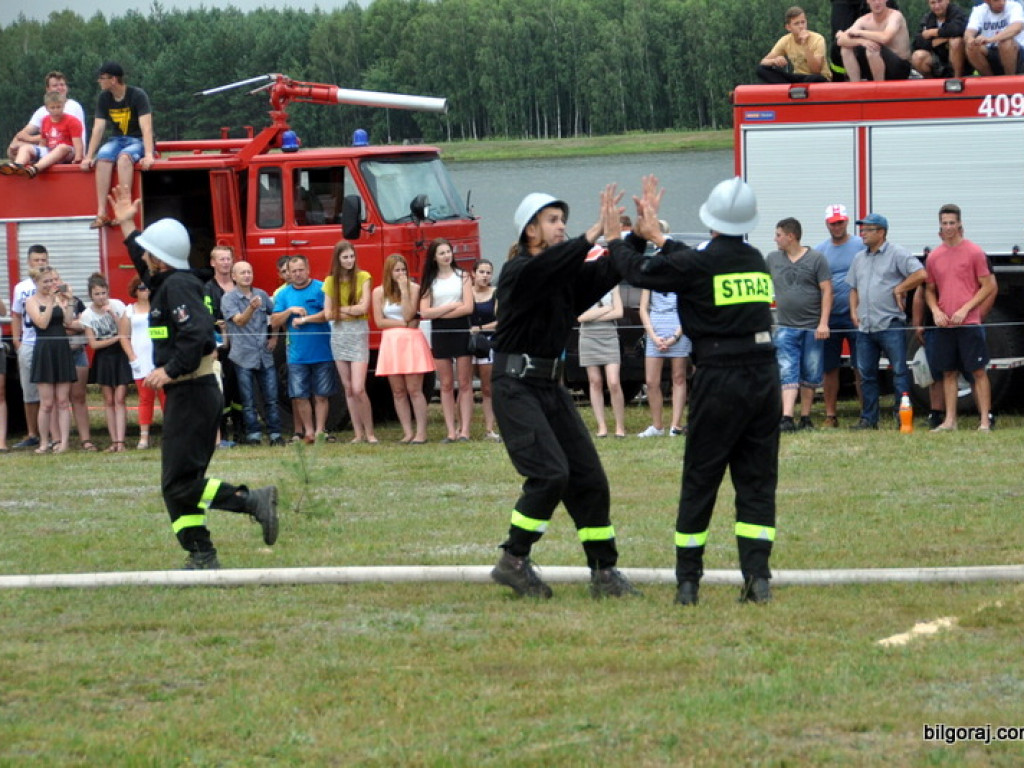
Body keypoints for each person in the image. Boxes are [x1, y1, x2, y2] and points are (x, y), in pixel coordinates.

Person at [609, 175, 779, 607]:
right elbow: (695, 261)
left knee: (701, 480)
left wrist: (620, 238)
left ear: (710, 219)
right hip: (764, 377)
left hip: (721, 378)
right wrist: (660, 237)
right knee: (756, 483)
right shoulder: (757, 260)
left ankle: (688, 583)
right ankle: (757, 580)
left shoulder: (699, 264)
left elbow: (636, 271)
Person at [111, 188, 278, 570]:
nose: (145, 258)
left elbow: (200, 335)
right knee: (177, 485)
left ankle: (251, 501)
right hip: (188, 393)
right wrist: (127, 225)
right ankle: (201, 553)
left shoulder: (179, 286)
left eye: (150, 251)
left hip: (193, 390)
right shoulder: (167, 282)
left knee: (180, 484)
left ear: (162, 257)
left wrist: (167, 370)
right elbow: (144, 266)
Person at [488, 188, 639, 600]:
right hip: (514, 385)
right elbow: (553, 265)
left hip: (547, 386)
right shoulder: (519, 271)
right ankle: (513, 560)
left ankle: (603, 572)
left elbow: (605, 274)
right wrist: (593, 234)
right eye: (553, 220)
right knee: (551, 473)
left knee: (589, 477)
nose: (561, 227)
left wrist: (634, 238)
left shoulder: (560, 275)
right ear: (530, 229)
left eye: (562, 221)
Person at [847, 213, 926, 429]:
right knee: (867, 375)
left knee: (899, 372)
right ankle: (869, 419)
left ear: (881, 232)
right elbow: (853, 288)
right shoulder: (859, 258)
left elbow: (920, 274)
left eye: (868, 229)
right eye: (862, 229)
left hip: (890, 323)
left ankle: (903, 417)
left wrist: (900, 288)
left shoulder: (897, 253)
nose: (862, 233)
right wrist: (854, 311)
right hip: (865, 326)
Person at [924, 204, 997, 431]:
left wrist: (966, 309)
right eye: (944, 223)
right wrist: (936, 311)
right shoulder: (934, 256)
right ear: (940, 226)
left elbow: (987, 286)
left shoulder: (974, 252)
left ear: (960, 225)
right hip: (945, 324)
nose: (948, 227)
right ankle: (950, 420)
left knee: (977, 372)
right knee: (948, 372)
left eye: (952, 223)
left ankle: (984, 420)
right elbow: (929, 289)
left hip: (969, 323)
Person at [765, 217, 832, 431]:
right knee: (787, 369)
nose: (775, 239)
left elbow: (827, 290)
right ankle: (786, 417)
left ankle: (805, 417)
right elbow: (762, 286)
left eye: (778, 235)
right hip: (785, 325)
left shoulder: (816, 259)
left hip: (812, 326)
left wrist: (823, 323)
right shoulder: (773, 259)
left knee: (810, 372)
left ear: (791, 236)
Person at [271, 254, 338, 444]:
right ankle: (308, 432)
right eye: (294, 271)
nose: (298, 274)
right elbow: (274, 320)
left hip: (322, 351)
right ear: (289, 274)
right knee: (300, 396)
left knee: (321, 395)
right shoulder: (283, 295)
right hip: (297, 355)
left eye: (301, 270)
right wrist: (290, 311)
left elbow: (328, 314)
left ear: (308, 269)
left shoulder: (321, 289)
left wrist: (306, 319)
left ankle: (319, 431)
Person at [81, 62, 155, 229]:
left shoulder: (137, 95)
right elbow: (98, 128)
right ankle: (101, 212)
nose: (99, 81)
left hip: (137, 140)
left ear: (113, 79)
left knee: (123, 159)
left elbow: (147, 127)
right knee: (103, 158)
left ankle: (124, 208)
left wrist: (149, 154)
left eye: (102, 78)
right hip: (117, 139)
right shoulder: (104, 98)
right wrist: (88, 156)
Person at [372, 253, 434, 444]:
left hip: (411, 342)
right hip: (391, 343)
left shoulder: (415, 289)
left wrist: (404, 291)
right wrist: (402, 323)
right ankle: (407, 431)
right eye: (396, 270)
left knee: (414, 389)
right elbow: (380, 321)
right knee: (398, 391)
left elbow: (410, 314)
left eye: (403, 270)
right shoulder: (379, 292)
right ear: (389, 272)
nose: (400, 274)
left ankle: (421, 432)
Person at [419, 238, 474, 442]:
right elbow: (425, 311)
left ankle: (465, 429)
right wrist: (449, 307)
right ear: (434, 257)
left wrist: (438, 312)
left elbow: (467, 307)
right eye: (441, 253)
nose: (446, 256)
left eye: (448, 251)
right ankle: (450, 430)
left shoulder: (464, 276)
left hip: (461, 329)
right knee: (446, 383)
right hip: (440, 332)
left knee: (465, 382)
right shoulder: (430, 281)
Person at [223, 261, 283, 446]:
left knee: (272, 399)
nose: (247, 275)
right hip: (242, 356)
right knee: (248, 402)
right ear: (234, 276)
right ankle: (253, 436)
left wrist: (274, 338)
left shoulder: (262, 294)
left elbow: (276, 316)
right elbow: (239, 321)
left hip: (264, 355)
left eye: (249, 272)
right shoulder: (229, 299)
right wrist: (251, 307)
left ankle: (275, 435)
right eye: (242, 272)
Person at [323, 240, 377, 444]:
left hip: (358, 334)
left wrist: (342, 310)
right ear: (337, 259)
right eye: (345, 257)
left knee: (358, 387)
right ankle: (358, 433)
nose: (349, 260)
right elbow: (328, 313)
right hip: (339, 335)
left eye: (351, 256)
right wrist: (350, 310)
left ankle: (370, 433)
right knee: (347, 388)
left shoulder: (364, 277)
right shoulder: (330, 281)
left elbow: (363, 309)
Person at [815, 204, 863, 427]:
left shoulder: (860, 245)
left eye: (841, 222)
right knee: (829, 368)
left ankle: (866, 413)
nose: (837, 226)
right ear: (827, 224)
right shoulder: (820, 251)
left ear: (847, 221)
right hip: (830, 318)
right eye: (833, 223)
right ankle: (830, 415)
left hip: (857, 316)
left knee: (861, 366)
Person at [25, 266, 77, 454]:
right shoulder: (31, 301)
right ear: (36, 283)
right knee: (46, 403)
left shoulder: (59, 299)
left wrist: (68, 301)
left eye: (52, 281)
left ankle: (64, 442)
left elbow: (69, 321)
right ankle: (44, 442)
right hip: (44, 350)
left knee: (63, 401)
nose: (50, 285)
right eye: (45, 281)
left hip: (61, 348)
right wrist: (50, 302)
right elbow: (42, 323)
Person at [80, 273, 133, 452]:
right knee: (108, 400)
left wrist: (113, 316)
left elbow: (126, 331)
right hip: (104, 358)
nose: (101, 297)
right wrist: (115, 338)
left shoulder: (117, 305)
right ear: (90, 295)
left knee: (120, 398)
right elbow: (93, 344)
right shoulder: (87, 315)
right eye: (97, 294)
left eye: (103, 293)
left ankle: (121, 441)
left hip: (120, 355)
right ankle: (113, 441)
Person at [10, 244, 50, 449]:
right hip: (29, 343)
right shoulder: (21, 288)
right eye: (37, 260)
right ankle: (32, 432)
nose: (40, 263)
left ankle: (51, 433)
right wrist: (17, 340)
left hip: (49, 344)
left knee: (51, 390)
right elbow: (15, 315)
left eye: (43, 260)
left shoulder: (52, 283)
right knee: (29, 390)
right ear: (29, 262)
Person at [203, 244, 243, 448]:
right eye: (222, 259)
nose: (226, 262)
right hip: (221, 348)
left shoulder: (241, 286)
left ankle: (241, 432)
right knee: (223, 390)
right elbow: (206, 319)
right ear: (213, 263)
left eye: (228, 258)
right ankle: (223, 434)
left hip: (243, 346)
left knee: (241, 389)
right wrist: (213, 346)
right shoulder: (208, 290)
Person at [119, 275, 166, 449]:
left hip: (160, 359)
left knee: (165, 397)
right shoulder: (129, 310)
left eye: (147, 287)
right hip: (141, 360)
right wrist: (132, 358)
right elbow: (123, 336)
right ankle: (144, 437)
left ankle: (169, 435)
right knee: (145, 398)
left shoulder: (159, 308)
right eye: (141, 288)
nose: (145, 291)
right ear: (135, 291)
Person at [638, 289, 690, 438]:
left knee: (679, 377)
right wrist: (653, 336)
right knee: (651, 381)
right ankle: (657, 426)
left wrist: (675, 337)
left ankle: (675, 425)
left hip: (679, 326)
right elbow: (643, 308)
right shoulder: (650, 275)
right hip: (655, 327)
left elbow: (688, 307)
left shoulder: (680, 273)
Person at [6, 70, 87, 164]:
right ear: (48, 89)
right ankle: (21, 169)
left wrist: (30, 139)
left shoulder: (72, 105)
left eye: (62, 85)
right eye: (55, 85)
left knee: (58, 148)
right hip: (48, 147)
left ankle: (35, 166)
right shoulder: (41, 111)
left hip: (67, 149)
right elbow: (24, 133)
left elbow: (62, 135)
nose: (60, 88)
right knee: (14, 147)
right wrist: (18, 140)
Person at [577, 285, 626, 439]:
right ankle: (602, 426)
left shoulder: (613, 286)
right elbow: (580, 317)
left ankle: (620, 426)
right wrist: (606, 309)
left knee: (613, 382)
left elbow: (619, 312)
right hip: (587, 337)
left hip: (609, 336)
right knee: (595, 381)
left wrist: (593, 315)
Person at [54, 271, 96, 451]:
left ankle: (86, 439)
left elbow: (84, 324)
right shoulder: (47, 303)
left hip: (78, 352)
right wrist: (71, 325)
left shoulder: (76, 301)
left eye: (58, 279)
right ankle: (58, 440)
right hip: (57, 354)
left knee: (79, 396)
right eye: (53, 281)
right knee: (58, 399)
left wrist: (68, 325)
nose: (57, 283)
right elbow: (55, 327)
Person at [2, 91, 83, 178]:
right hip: (50, 150)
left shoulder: (72, 121)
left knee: (62, 147)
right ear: (47, 108)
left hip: (67, 152)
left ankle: (35, 169)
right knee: (25, 147)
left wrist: (78, 158)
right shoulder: (45, 120)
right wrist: (37, 154)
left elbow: (78, 143)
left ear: (63, 106)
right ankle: (17, 166)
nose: (56, 110)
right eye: (53, 108)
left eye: (59, 107)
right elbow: (43, 142)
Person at [836, 0, 913, 81]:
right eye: (873, 0)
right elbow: (841, 40)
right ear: (867, 1)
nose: (877, 3)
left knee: (872, 49)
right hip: (873, 66)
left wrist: (860, 32)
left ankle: (879, 88)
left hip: (899, 68)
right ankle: (855, 86)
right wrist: (862, 42)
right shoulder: (864, 20)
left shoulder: (895, 16)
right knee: (846, 48)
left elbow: (885, 37)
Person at [757, 6, 832, 83]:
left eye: (803, 22)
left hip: (818, 77)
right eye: (796, 24)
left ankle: (792, 89)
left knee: (814, 78)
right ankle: (786, 89)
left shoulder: (818, 39)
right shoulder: (785, 40)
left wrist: (805, 44)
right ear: (788, 27)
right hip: (798, 77)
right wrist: (774, 61)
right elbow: (763, 62)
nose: (801, 26)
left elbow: (816, 70)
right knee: (761, 69)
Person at [469, 259, 500, 442]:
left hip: (487, 342)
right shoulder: (466, 293)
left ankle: (490, 429)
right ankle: (463, 428)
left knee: (487, 388)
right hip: (468, 343)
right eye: (481, 272)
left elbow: (500, 320)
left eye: (488, 273)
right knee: (465, 387)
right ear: (474, 273)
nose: (485, 276)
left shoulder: (495, 293)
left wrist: (480, 329)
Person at [965, 0, 1024, 76]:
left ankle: (1009, 79)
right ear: (987, 1)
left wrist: (990, 39)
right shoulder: (979, 10)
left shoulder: (1014, 6)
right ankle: (989, 80)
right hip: (991, 50)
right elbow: (969, 31)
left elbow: (1016, 28)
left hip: (1016, 52)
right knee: (972, 47)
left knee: (1005, 43)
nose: (1002, 3)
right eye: (996, 0)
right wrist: (970, 39)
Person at [911, 0, 969, 78]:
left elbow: (958, 29)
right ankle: (931, 85)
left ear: (947, 1)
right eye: (933, 3)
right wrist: (939, 40)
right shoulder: (927, 18)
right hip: (938, 60)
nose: (937, 6)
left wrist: (933, 32)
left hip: (962, 61)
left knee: (956, 41)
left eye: (940, 1)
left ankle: (957, 79)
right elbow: (917, 42)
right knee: (917, 56)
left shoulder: (957, 13)